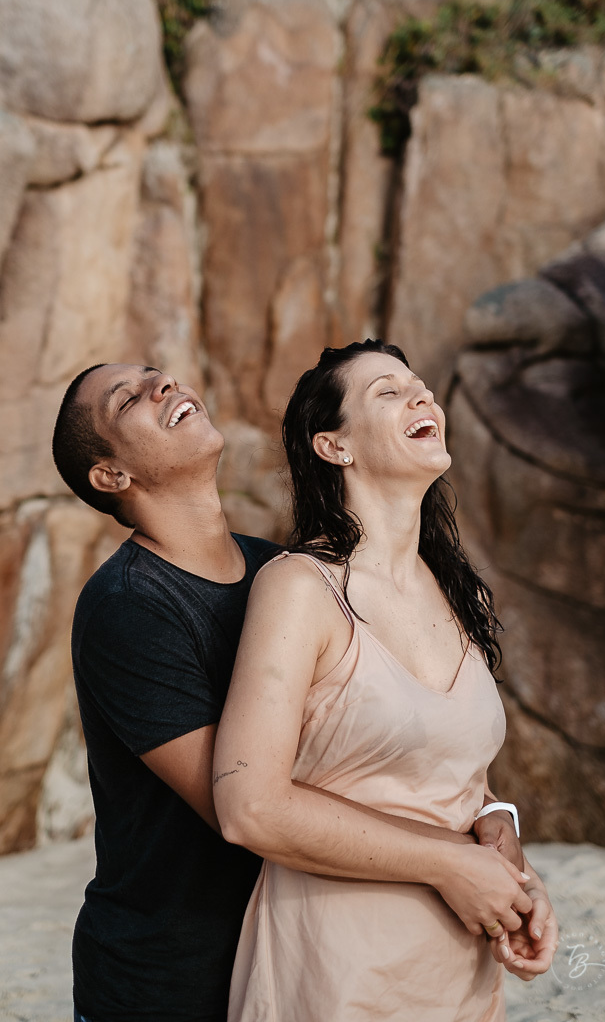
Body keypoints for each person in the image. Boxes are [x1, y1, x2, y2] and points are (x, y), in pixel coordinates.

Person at [52, 360, 550, 1022]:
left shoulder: (280, 570)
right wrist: (458, 861)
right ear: (113, 476)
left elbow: (382, 760)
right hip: (176, 977)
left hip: (304, 951)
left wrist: (496, 820)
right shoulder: (131, 607)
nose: (162, 385)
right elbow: (251, 806)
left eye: (157, 373)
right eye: (128, 399)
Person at [213, 340, 557, 1022]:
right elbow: (249, 806)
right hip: (340, 968)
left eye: (421, 387)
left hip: (457, 965)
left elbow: (450, 774)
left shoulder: (460, 594)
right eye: (388, 392)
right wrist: (454, 867)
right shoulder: (300, 588)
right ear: (334, 447)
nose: (422, 397)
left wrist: (505, 848)